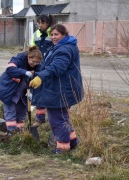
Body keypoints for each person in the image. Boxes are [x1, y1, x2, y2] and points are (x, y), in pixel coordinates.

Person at [29, 24, 83, 154]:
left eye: (56, 34)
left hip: (61, 89)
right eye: (52, 35)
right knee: (62, 116)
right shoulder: (60, 46)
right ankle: (73, 141)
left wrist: (40, 77)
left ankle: (63, 148)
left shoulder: (64, 49)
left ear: (64, 35)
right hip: (61, 88)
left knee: (57, 118)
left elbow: (57, 67)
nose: (53, 37)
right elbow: (49, 64)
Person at [0, 46, 43, 134]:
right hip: (9, 90)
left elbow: (40, 75)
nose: (34, 64)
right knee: (11, 111)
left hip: (23, 92)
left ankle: (20, 132)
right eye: (33, 61)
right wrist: (24, 72)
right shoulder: (19, 59)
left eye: (37, 62)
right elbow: (10, 69)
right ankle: (11, 132)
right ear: (28, 57)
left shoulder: (38, 66)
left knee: (21, 111)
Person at [30, 14, 55, 128]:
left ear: (48, 23)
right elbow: (32, 50)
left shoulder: (54, 34)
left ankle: (53, 119)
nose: (40, 25)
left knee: (51, 93)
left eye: (43, 23)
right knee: (39, 92)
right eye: (39, 23)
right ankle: (40, 119)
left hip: (51, 67)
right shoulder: (35, 34)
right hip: (39, 67)